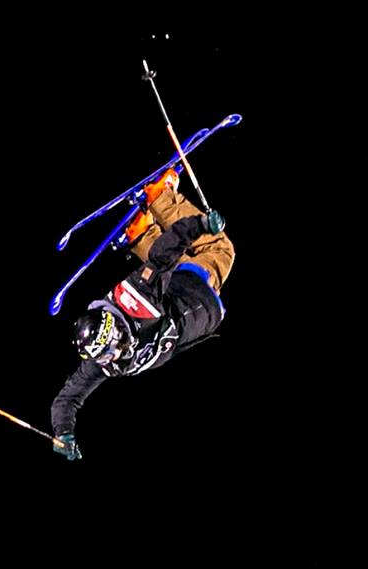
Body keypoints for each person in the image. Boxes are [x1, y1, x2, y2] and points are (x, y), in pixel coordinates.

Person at [49, 169, 236, 460]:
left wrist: (200, 224)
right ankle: (138, 233)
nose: (116, 354)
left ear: (115, 328)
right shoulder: (103, 361)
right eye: (108, 354)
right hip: (192, 307)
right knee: (174, 262)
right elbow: (67, 399)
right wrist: (64, 433)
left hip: (196, 286)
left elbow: (166, 251)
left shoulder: (140, 298)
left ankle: (161, 197)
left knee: (220, 249)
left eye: (114, 346)